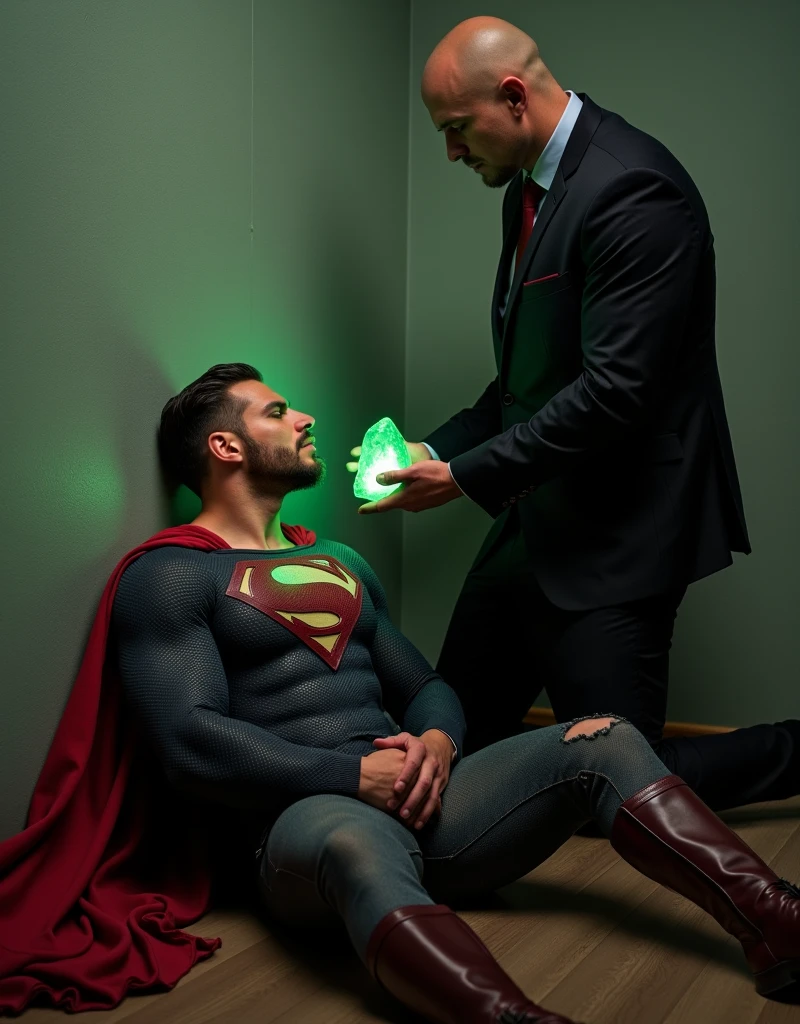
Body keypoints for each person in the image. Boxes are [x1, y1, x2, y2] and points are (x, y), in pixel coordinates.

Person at [108, 363, 800, 1024]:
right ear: (225, 445)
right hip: (305, 826)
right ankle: (510, 1017)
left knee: (608, 736)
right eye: (278, 411)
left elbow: (427, 685)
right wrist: (353, 776)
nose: (305, 418)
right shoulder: (171, 575)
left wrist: (439, 742)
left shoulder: (339, 561)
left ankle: (778, 926)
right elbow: (191, 741)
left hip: (428, 810)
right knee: (355, 842)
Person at [350, 16, 798, 812]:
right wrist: (432, 447)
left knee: (615, 792)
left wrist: (458, 478)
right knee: (451, 740)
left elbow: (615, 394)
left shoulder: (635, 188)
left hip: (619, 536)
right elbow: (530, 385)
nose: (451, 152)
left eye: (457, 129)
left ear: (514, 97)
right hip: (532, 519)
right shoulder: (527, 184)